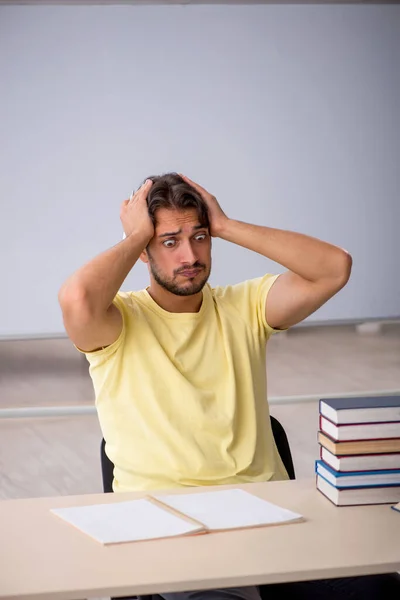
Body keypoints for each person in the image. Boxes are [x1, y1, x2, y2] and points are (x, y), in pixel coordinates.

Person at [59, 173, 398, 600]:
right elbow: (77, 300)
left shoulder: (244, 306)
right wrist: (137, 234)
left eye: (199, 237)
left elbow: (335, 267)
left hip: (270, 521)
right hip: (167, 529)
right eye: (169, 242)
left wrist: (225, 224)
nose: (189, 255)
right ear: (143, 253)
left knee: (375, 589)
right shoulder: (117, 322)